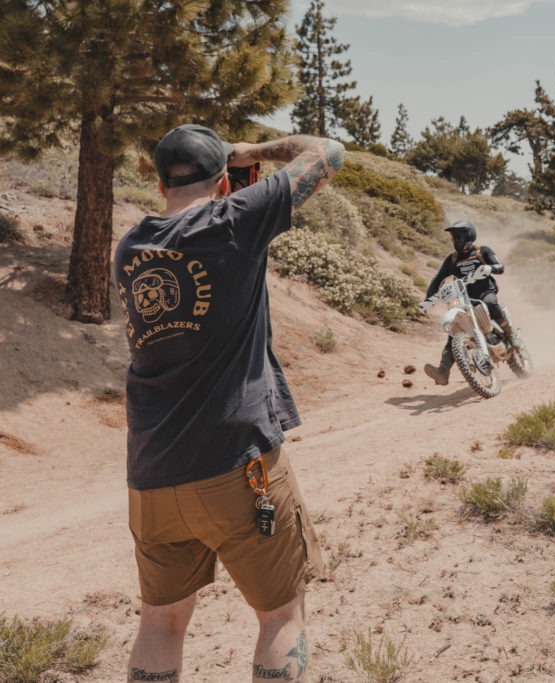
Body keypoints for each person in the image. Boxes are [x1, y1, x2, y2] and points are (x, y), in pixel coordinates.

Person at [113, 124, 345, 682]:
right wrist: (250, 153)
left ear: (162, 181)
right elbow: (329, 153)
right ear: (223, 179)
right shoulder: (234, 221)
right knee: (280, 616)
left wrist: (225, 177)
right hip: (236, 463)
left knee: (161, 622)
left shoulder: (132, 248)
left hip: (153, 472)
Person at [422, 218, 518, 385]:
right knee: (455, 331)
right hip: (464, 298)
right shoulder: (451, 260)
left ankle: (511, 336)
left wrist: (491, 268)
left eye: (458, 237)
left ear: (468, 236)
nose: (455, 241)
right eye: (453, 238)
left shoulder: (483, 251)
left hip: (484, 292)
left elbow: (500, 267)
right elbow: (438, 280)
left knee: (490, 303)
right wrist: (427, 300)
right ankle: (442, 372)